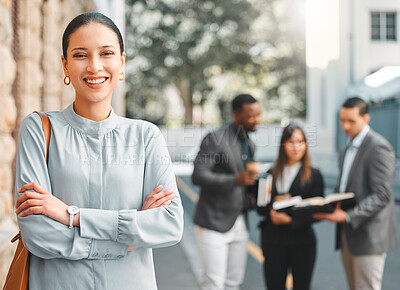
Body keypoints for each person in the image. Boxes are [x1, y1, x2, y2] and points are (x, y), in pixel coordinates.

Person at [14, 12, 183, 290]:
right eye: (80, 55)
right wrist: (129, 238)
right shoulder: (39, 129)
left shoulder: (145, 136)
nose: (94, 66)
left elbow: (169, 224)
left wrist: (71, 215)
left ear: (121, 62)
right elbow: (38, 234)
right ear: (65, 65)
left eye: (106, 53)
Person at [314, 97, 399, 290]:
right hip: (348, 233)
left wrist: (348, 216)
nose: (345, 125)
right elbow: (345, 187)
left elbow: (383, 195)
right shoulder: (345, 149)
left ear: (366, 118)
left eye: (351, 121)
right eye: (342, 120)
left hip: (369, 235)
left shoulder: (378, 147)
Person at [192, 94, 261, 290]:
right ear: (236, 115)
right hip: (213, 222)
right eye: (250, 116)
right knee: (214, 284)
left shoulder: (250, 143)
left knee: (233, 283)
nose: (256, 120)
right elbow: (199, 175)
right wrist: (235, 180)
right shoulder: (215, 138)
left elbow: (245, 183)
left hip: (240, 222)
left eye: (258, 114)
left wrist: (252, 196)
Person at [257, 124, 324, 290]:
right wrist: (273, 206)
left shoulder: (314, 175)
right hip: (274, 242)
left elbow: (317, 210)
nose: (296, 147)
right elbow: (260, 207)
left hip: (302, 242)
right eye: (291, 142)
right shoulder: (270, 173)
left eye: (301, 142)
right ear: (283, 145)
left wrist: (290, 219)